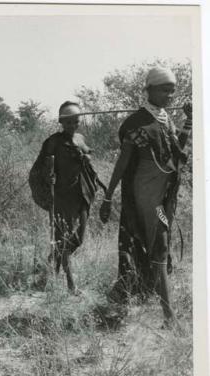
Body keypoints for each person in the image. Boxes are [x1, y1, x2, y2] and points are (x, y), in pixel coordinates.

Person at [99, 67, 192, 327]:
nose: (170, 95)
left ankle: (138, 298)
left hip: (163, 194)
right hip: (145, 196)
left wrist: (189, 122)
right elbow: (122, 163)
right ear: (149, 89)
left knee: (158, 245)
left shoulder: (166, 120)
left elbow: (177, 154)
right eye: (165, 89)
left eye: (172, 91)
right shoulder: (135, 123)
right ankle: (169, 317)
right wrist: (108, 197)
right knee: (160, 244)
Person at [29, 101, 103, 294]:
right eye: (68, 122)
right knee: (63, 239)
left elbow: (86, 153)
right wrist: (48, 176)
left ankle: (51, 263)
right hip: (62, 197)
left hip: (83, 194)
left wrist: (87, 157)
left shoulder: (80, 137)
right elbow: (40, 169)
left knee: (78, 239)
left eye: (75, 121)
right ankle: (70, 284)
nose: (72, 125)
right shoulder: (53, 142)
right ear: (61, 122)